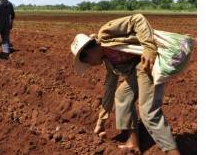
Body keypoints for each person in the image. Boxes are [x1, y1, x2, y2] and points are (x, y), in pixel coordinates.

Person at [70, 14, 180, 155]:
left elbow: (138, 19)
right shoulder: (109, 63)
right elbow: (109, 90)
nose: (90, 65)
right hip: (138, 69)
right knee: (122, 95)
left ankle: (173, 151)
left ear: (88, 52)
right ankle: (133, 143)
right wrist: (101, 121)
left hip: (148, 62)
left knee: (148, 111)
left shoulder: (106, 33)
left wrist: (148, 48)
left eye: (87, 61)